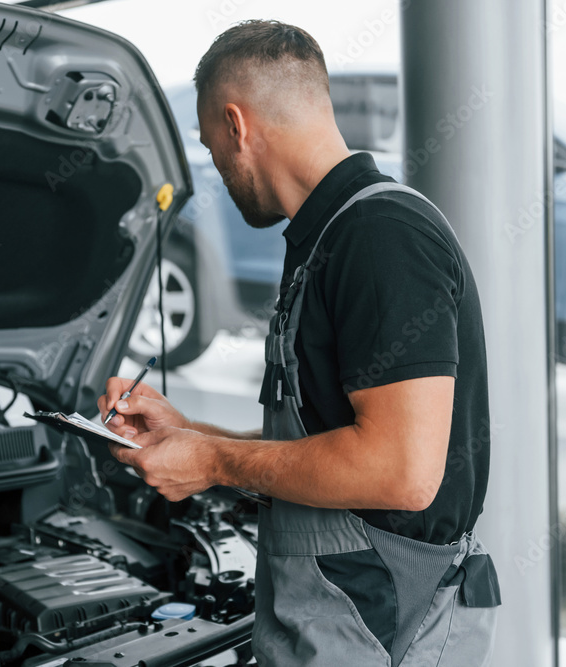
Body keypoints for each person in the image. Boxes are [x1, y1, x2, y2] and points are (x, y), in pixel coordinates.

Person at [97, 19, 501, 667]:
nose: (221, 173)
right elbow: (331, 447)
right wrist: (191, 433)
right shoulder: (327, 239)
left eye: (211, 144)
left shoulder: (378, 236)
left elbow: (400, 471)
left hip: (382, 628)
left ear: (237, 124)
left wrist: (214, 462)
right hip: (342, 620)